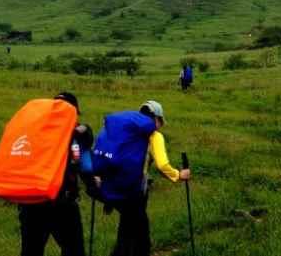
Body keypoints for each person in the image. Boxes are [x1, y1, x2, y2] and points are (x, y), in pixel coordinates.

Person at [108, 100, 191, 256]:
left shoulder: (126, 131)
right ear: (157, 119)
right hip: (135, 192)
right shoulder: (154, 135)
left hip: (116, 188)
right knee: (139, 234)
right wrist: (179, 175)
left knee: (128, 228)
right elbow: (162, 164)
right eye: (161, 121)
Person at [18, 92, 94, 256]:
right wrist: (94, 188)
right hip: (62, 203)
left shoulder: (33, 130)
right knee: (74, 250)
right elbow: (85, 167)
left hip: (30, 201)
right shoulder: (76, 134)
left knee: (31, 250)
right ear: (74, 112)